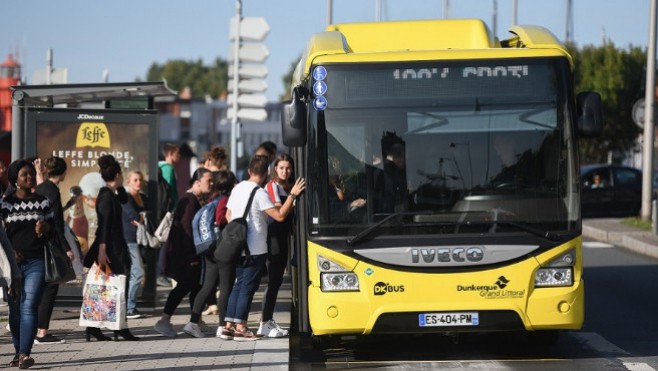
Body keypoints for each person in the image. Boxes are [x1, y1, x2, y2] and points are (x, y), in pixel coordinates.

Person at [219, 155, 305, 340]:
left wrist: (240, 231)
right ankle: (241, 328)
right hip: (255, 246)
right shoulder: (260, 192)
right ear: (268, 172)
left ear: (249, 171)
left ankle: (228, 327)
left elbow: (228, 215)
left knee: (238, 285)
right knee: (247, 288)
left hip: (237, 245)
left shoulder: (238, 188)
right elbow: (280, 215)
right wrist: (292, 195)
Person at [1, 159, 54, 368]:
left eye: (31, 174)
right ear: (15, 179)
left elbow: (54, 230)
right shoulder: (5, 204)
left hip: (36, 261)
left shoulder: (43, 202)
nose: (30, 177)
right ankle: (17, 351)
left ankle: (24, 353)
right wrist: (11, 253)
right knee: (15, 310)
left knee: (29, 305)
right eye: (25, 174)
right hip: (12, 265)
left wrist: (46, 229)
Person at [82, 155, 140, 342]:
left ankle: (104, 327)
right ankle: (114, 327)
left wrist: (119, 184)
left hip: (112, 245)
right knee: (115, 287)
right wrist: (102, 250)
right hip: (110, 247)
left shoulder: (110, 193)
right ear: (117, 174)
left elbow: (123, 198)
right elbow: (104, 225)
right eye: (121, 174)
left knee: (108, 288)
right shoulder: (106, 197)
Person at [154, 168, 214, 338]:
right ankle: (164, 321)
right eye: (208, 180)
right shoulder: (189, 200)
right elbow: (186, 231)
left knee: (195, 286)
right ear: (197, 182)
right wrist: (192, 256)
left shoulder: (194, 198)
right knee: (184, 286)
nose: (211, 184)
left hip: (187, 254)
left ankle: (196, 321)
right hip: (184, 255)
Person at [182, 170, 236, 338]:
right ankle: (222, 326)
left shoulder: (211, 199)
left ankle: (192, 323)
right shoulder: (225, 200)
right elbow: (220, 219)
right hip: (220, 247)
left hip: (208, 248)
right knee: (226, 287)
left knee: (207, 287)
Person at [34, 157, 74, 344]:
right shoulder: (53, 191)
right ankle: (42, 332)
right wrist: (66, 248)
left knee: (39, 287)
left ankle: (35, 328)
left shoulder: (41, 188)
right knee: (51, 286)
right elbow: (56, 223)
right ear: (63, 172)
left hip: (37, 243)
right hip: (51, 242)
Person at [258, 154, 296, 338]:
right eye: (281, 168)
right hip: (273, 238)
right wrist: (293, 196)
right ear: (275, 169)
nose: (285, 171)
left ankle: (268, 320)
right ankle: (264, 321)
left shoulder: (288, 186)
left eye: (288, 168)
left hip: (283, 238)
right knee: (273, 281)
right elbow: (280, 212)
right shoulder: (272, 186)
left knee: (278, 280)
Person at [121, 171, 148, 319]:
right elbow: (136, 216)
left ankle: (130, 306)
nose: (139, 182)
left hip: (139, 240)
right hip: (129, 240)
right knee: (138, 272)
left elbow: (144, 216)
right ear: (128, 182)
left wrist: (142, 217)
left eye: (140, 179)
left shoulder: (141, 197)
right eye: (135, 180)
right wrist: (141, 217)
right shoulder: (126, 198)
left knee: (135, 272)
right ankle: (130, 307)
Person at [157, 143, 180, 288]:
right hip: (168, 211)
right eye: (177, 153)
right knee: (165, 241)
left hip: (160, 210)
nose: (179, 156)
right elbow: (169, 190)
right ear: (171, 154)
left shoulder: (158, 166)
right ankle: (160, 272)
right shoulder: (168, 169)